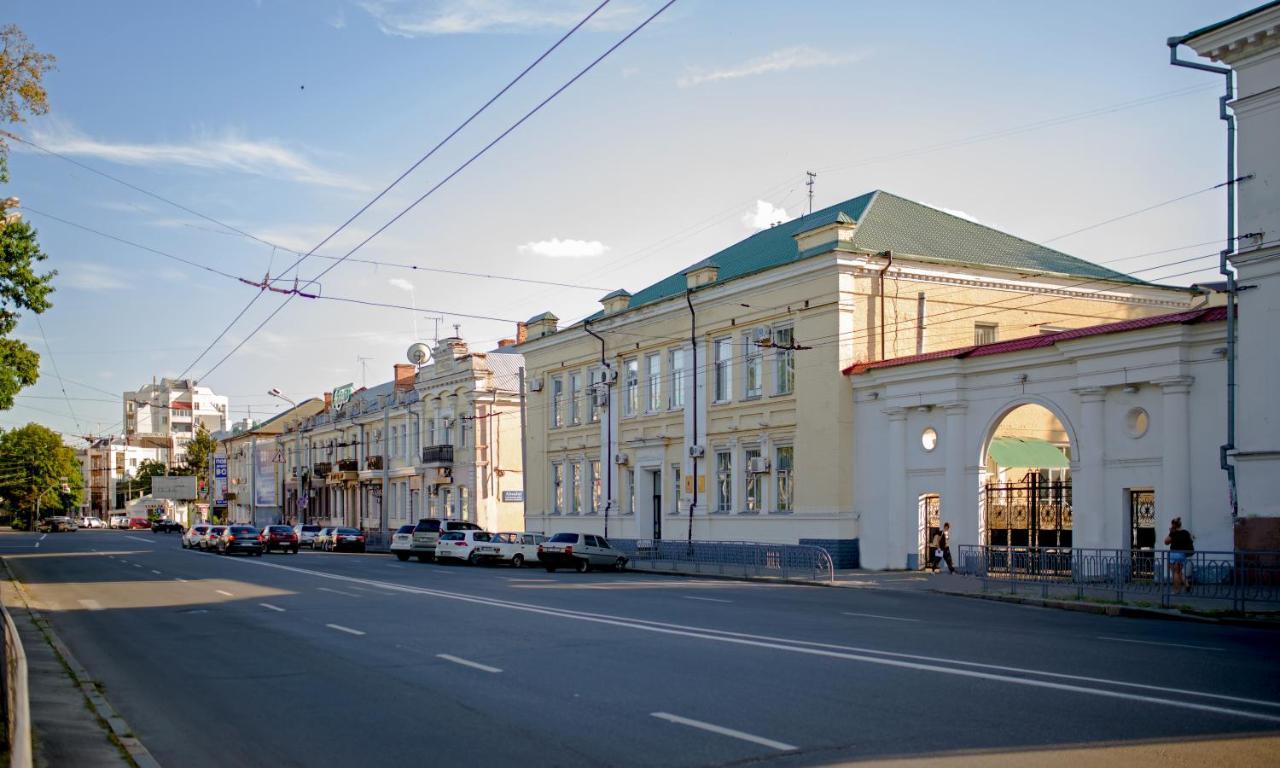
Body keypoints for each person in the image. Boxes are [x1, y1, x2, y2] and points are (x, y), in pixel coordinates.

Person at [1164, 517, 1194, 594]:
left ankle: (1176, 590)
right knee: (1178, 571)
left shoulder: (1173, 532)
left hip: (1173, 554)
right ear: (1180, 524)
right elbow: (1191, 541)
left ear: (1173, 525)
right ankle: (1186, 583)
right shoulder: (1186, 532)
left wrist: (1170, 532)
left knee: (1175, 573)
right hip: (1182, 554)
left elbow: (1166, 542)